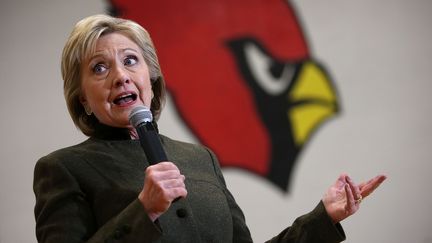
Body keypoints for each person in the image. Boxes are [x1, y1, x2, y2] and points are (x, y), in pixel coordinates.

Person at [33, 14, 386, 243]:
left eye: (130, 60)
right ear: (81, 99)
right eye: (99, 68)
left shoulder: (199, 158)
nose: (121, 75)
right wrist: (145, 209)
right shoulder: (63, 169)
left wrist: (322, 218)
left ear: (151, 78)